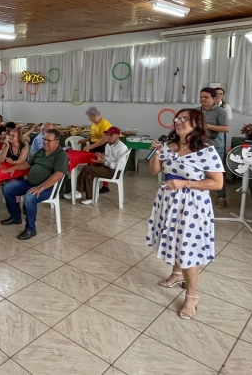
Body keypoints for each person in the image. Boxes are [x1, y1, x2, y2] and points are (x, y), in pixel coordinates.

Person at [146, 108, 224, 319]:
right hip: (168, 202)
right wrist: (158, 154)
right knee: (175, 241)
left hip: (192, 206)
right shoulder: (169, 146)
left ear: (197, 124)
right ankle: (176, 274)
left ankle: (191, 296)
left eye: (184, 119)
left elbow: (217, 183)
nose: (178, 122)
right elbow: (155, 171)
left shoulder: (207, 151)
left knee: (187, 248)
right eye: (177, 119)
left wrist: (185, 183)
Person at [1, 128, 67, 240]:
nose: (45, 142)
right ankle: (16, 217)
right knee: (7, 188)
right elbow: (27, 164)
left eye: (48, 140)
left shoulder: (61, 155)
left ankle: (30, 229)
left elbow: (58, 175)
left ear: (57, 142)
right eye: (44, 139)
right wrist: (14, 167)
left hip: (48, 188)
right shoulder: (41, 151)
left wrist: (41, 187)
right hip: (31, 183)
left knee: (29, 197)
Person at [76, 127, 128, 204]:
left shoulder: (122, 148)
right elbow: (108, 160)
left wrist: (105, 163)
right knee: (88, 175)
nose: (109, 136)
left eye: (111, 135)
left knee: (86, 168)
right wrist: (102, 159)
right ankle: (90, 198)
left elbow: (120, 166)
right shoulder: (107, 145)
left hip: (115, 172)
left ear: (118, 135)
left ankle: (77, 191)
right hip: (107, 168)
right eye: (107, 135)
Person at [199, 87, 230, 206]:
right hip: (199, 145)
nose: (203, 99)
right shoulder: (196, 111)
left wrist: (207, 126)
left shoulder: (221, 112)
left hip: (216, 146)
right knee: (199, 170)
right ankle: (200, 195)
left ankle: (221, 198)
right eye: (201, 97)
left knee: (217, 172)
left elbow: (226, 128)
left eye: (206, 97)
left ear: (214, 98)